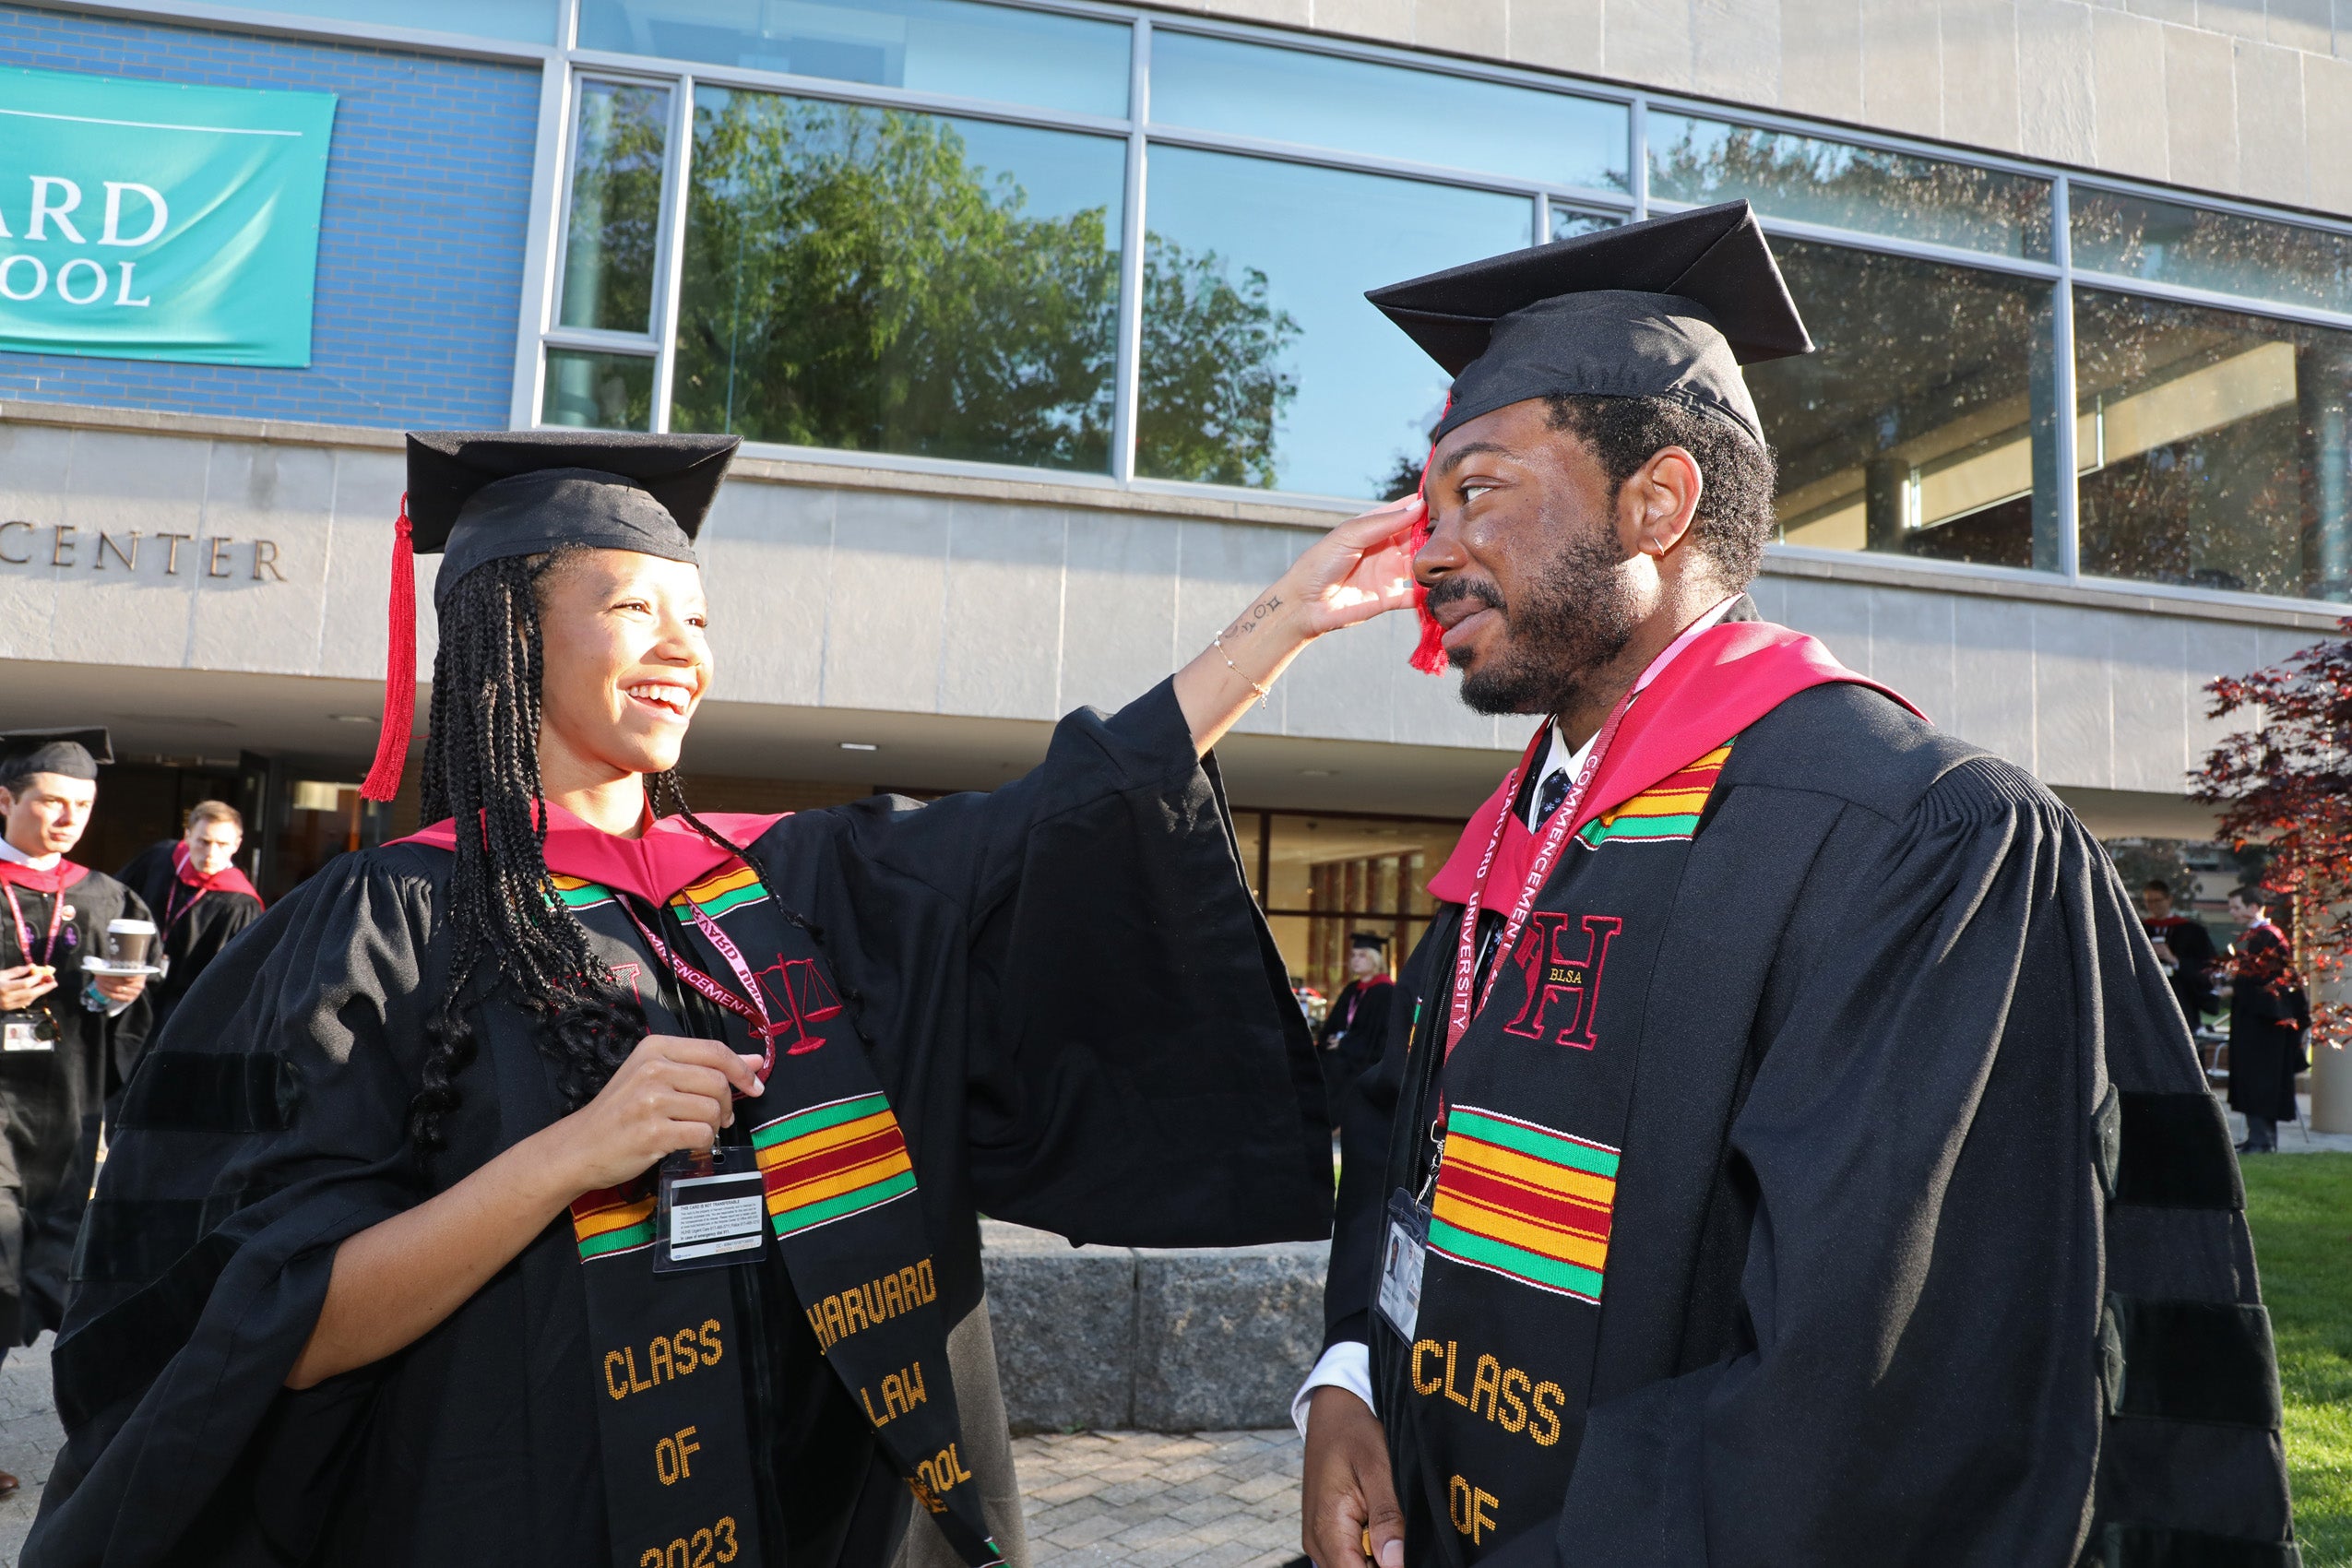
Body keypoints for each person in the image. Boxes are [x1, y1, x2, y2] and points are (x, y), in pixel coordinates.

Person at [32, 429, 1420, 1568]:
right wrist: (573, 1153)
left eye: (697, 616)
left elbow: (1065, 814)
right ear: (511, 631)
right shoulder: (379, 923)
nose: (682, 647)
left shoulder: (790, 880)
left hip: (824, 1501)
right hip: (517, 1515)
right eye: (634, 606)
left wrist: (1277, 626)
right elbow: (280, 1323)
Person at [1298, 203, 2292, 1567]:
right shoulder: (1516, 841)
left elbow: (1867, 1406)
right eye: (1427, 508)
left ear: (1656, 502)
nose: (1428, 551)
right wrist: (1350, 1377)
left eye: (1477, 492)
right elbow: (1404, 1167)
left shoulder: (1912, 837)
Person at [0, 730, 152, 1362]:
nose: (69, 819)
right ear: (5, 801)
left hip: (68, 1105)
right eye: (52, 802)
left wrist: (117, 994)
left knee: (47, 1267)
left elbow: (133, 1015)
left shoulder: (106, 897)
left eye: (83, 806)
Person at [115, 801, 265, 1043]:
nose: (211, 853)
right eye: (203, 842)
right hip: (133, 992)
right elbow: (117, 899)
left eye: (222, 844)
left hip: (186, 1009)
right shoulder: (160, 859)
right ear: (187, 836)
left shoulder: (240, 902)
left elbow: (238, 976)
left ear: (237, 845)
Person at [2224, 885, 2308, 1156]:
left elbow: (2262, 981)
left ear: (2253, 907)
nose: (2232, 913)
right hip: (2262, 1020)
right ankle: (2258, 1138)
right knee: (2256, 1079)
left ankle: (2261, 1141)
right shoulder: (2265, 936)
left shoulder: (2266, 938)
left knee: (2259, 1079)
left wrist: (2233, 985)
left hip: (2263, 1022)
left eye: (2237, 907)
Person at [1317, 932, 1395, 1114]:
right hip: (1343, 1053)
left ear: (1375, 960)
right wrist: (1330, 1040)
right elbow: (1334, 1023)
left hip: (1365, 1058)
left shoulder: (1386, 992)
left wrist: (1345, 1043)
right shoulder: (1352, 989)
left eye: (1362, 955)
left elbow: (1378, 1034)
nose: (1355, 960)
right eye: (1353, 955)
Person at [2139, 878, 2219, 1031]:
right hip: (2148, 998)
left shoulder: (2192, 931)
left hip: (2182, 999)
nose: (2153, 905)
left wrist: (2174, 960)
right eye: (2149, 901)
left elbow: (2206, 967)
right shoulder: (2140, 930)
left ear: (2169, 899)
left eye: (2158, 900)